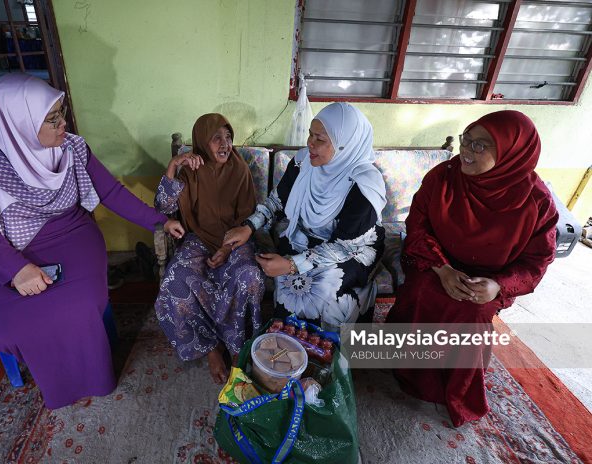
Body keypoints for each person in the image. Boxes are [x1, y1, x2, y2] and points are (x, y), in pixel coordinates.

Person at [0, 73, 181, 409]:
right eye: (52, 118)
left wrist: (160, 220)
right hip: (2, 249)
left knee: (77, 306)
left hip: (70, 235)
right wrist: (16, 269)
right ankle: (55, 379)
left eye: (62, 113)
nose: (64, 124)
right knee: (12, 325)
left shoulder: (72, 147)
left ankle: (95, 377)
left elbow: (111, 192)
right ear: (19, 123)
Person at [385, 110, 559, 427]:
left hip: (490, 278)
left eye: (480, 145)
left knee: (472, 312)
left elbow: (537, 260)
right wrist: (442, 268)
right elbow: (418, 228)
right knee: (422, 292)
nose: (466, 150)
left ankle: (455, 388)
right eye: (467, 139)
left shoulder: (537, 201)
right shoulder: (444, 177)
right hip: (435, 261)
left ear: (510, 154)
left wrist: (498, 285)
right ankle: (406, 368)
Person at [224, 102, 386, 328]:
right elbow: (277, 202)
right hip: (306, 237)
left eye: (320, 139)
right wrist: (249, 227)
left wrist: (291, 264)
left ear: (344, 145)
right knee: (290, 285)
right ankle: (290, 341)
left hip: (352, 249)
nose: (310, 143)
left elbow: (343, 246)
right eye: (310, 134)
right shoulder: (303, 163)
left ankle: (325, 346)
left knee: (319, 292)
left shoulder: (364, 185)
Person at [154, 113, 264, 384]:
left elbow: (247, 218)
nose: (225, 144)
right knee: (174, 279)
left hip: (235, 239)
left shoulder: (239, 169)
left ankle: (238, 348)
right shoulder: (190, 171)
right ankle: (210, 347)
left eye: (228, 137)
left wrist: (227, 248)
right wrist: (173, 165)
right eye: (216, 138)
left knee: (249, 276)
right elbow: (164, 207)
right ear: (203, 142)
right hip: (199, 238)